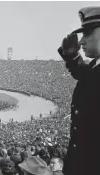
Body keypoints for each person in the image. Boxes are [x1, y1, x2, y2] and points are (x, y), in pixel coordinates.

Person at [57, 6, 100, 175]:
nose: (81, 41)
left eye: (88, 33)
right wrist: (73, 57)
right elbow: (90, 77)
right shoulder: (94, 66)